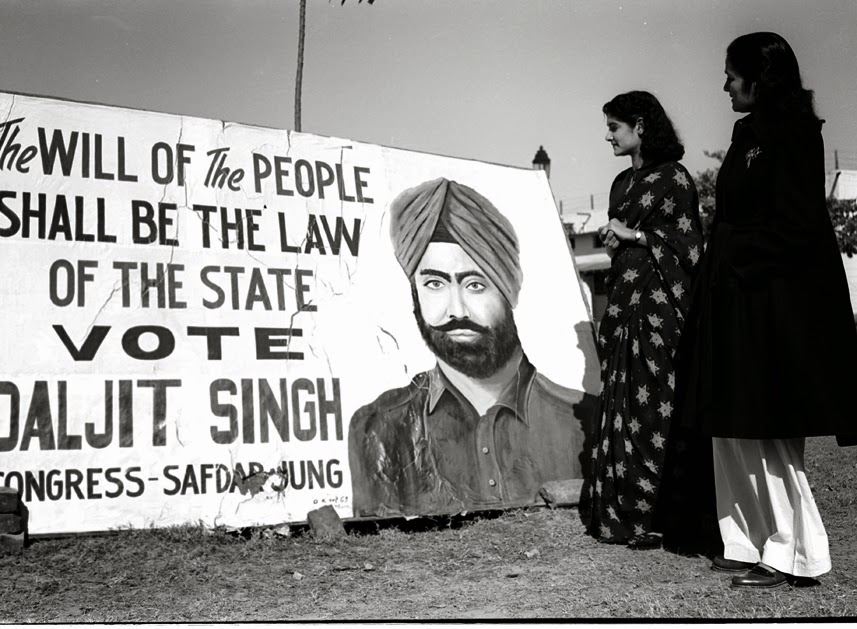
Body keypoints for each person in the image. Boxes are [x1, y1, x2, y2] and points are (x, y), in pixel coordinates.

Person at [680, 32, 857, 588]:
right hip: (735, 297)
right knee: (730, 425)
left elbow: (796, 227)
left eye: (732, 73)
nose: (724, 84)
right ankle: (745, 540)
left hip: (773, 302)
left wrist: (732, 250)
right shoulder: (745, 133)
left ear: (760, 77)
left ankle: (794, 554)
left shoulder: (796, 134)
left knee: (767, 429)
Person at [348, 178, 589, 518]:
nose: (456, 309)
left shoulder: (581, 419)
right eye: (434, 284)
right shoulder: (380, 426)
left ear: (509, 288)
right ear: (415, 293)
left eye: (475, 285)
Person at [579, 91, 704, 547]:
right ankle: (624, 514)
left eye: (614, 127)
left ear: (641, 126)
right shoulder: (619, 184)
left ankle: (664, 515)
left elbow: (689, 246)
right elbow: (622, 243)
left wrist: (634, 234)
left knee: (656, 406)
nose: (607, 135)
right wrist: (616, 240)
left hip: (658, 310)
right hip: (622, 303)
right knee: (624, 404)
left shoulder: (675, 179)